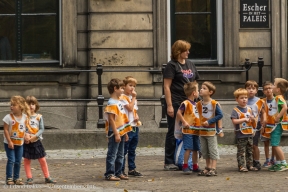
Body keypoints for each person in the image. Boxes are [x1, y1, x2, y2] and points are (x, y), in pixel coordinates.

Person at [163, 40, 200, 170]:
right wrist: (169, 105)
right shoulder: (172, 66)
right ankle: (168, 161)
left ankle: (189, 160)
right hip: (177, 101)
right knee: (174, 130)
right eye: (186, 50)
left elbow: (194, 82)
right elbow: (167, 86)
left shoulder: (190, 64)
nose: (188, 52)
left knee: (192, 130)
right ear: (179, 51)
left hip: (191, 102)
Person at [23, 96, 56, 184]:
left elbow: (41, 129)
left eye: (33, 104)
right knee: (26, 160)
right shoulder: (24, 117)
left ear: (36, 105)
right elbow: (21, 128)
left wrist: (35, 136)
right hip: (26, 141)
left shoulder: (39, 117)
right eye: (29, 104)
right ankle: (29, 178)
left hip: (36, 141)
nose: (31, 106)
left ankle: (47, 177)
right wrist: (25, 136)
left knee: (42, 159)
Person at [104, 78, 132, 181]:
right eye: (121, 88)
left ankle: (119, 172)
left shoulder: (118, 101)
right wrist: (116, 133)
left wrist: (125, 132)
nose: (123, 90)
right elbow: (111, 119)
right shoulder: (112, 103)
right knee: (112, 153)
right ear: (115, 89)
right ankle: (110, 173)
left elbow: (122, 118)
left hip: (121, 131)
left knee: (121, 153)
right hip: (115, 131)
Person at [196, 81, 223, 176]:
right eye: (201, 88)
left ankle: (213, 168)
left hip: (211, 131)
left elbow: (220, 115)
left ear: (210, 92)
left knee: (212, 150)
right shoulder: (198, 104)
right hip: (202, 131)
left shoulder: (214, 103)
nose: (201, 90)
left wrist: (210, 121)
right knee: (205, 150)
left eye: (204, 88)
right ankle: (207, 167)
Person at [175, 81, 201, 174]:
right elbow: (178, 113)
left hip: (196, 130)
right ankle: (185, 165)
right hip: (188, 130)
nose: (199, 92)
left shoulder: (197, 104)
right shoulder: (185, 103)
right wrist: (184, 122)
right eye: (198, 90)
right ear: (194, 93)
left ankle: (195, 165)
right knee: (188, 148)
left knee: (196, 148)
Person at [3, 96, 29, 185]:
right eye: (11, 105)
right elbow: (5, 130)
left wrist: (26, 136)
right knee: (11, 160)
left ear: (21, 106)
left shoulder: (25, 117)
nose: (11, 107)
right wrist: (9, 141)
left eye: (14, 105)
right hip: (9, 143)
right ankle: (9, 178)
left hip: (20, 143)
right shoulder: (8, 117)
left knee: (18, 161)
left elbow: (25, 129)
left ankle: (16, 178)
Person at [120, 76, 143, 177]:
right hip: (127, 126)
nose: (132, 88)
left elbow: (134, 110)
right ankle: (120, 169)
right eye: (130, 85)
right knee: (124, 149)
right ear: (124, 86)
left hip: (134, 126)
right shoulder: (122, 97)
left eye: (134, 86)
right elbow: (129, 108)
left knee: (132, 149)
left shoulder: (133, 98)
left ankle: (132, 168)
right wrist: (133, 98)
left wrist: (136, 116)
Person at [231, 88, 258, 172]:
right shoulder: (235, 110)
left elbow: (253, 120)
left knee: (250, 151)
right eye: (242, 98)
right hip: (241, 134)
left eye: (245, 98)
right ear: (237, 99)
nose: (244, 99)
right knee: (241, 151)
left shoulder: (249, 109)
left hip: (249, 133)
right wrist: (244, 120)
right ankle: (241, 166)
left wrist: (253, 119)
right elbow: (234, 121)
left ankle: (250, 165)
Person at [267, 78, 288, 172]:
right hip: (276, 124)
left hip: (278, 124)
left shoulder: (279, 97)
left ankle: (283, 162)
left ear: (278, 89)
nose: (271, 86)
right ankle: (279, 163)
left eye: (274, 85)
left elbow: (285, 107)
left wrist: (278, 116)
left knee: (275, 144)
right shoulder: (277, 97)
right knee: (274, 143)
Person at [245, 80, 265, 170]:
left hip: (256, 125)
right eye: (249, 88)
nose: (251, 90)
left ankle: (256, 161)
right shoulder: (243, 99)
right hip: (245, 125)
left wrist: (263, 122)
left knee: (254, 144)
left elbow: (263, 113)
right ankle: (248, 162)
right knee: (247, 144)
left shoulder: (259, 101)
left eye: (253, 88)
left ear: (257, 90)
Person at [261, 81, 276, 167]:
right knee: (266, 142)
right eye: (266, 89)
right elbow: (262, 112)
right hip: (266, 125)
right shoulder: (262, 101)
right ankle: (267, 159)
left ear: (273, 89)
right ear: (263, 91)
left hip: (274, 124)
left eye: (270, 88)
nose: (268, 90)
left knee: (274, 143)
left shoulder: (277, 100)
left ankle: (273, 159)